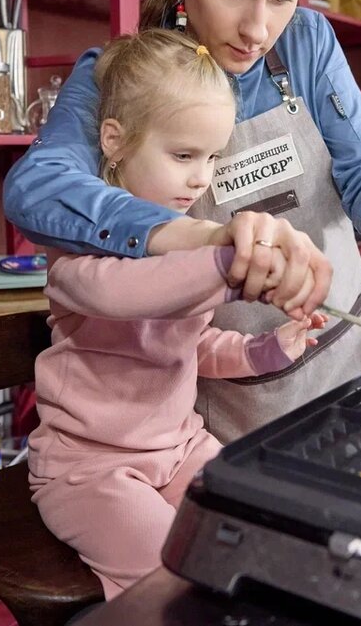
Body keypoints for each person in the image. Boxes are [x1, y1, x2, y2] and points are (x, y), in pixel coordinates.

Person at [5, 0, 361, 441]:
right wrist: (201, 237)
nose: (258, 28)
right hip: (230, 392)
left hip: (350, 358)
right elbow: (38, 188)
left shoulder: (307, 43)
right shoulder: (120, 75)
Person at [28, 30, 326, 599]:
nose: (201, 178)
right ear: (114, 141)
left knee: (258, 532)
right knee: (180, 579)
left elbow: (192, 343)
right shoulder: (75, 249)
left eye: (212, 157)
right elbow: (132, 295)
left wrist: (268, 348)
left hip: (182, 447)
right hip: (91, 469)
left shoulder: (190, 242)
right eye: (184, 155)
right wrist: (231, 267)